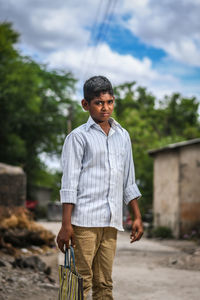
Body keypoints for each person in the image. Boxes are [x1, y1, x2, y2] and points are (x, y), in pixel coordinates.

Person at [57, 75, 143, 300]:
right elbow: (69, 184)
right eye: (99, 103)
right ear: (85, 105)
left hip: (111, 221)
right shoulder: (77, 138)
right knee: (80, 281)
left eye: (110, 102)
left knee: (104, 283)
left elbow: (128, 180)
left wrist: (137, 216)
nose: (105, 108)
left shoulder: (122, 136)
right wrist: (66, 225)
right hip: (84, 221)